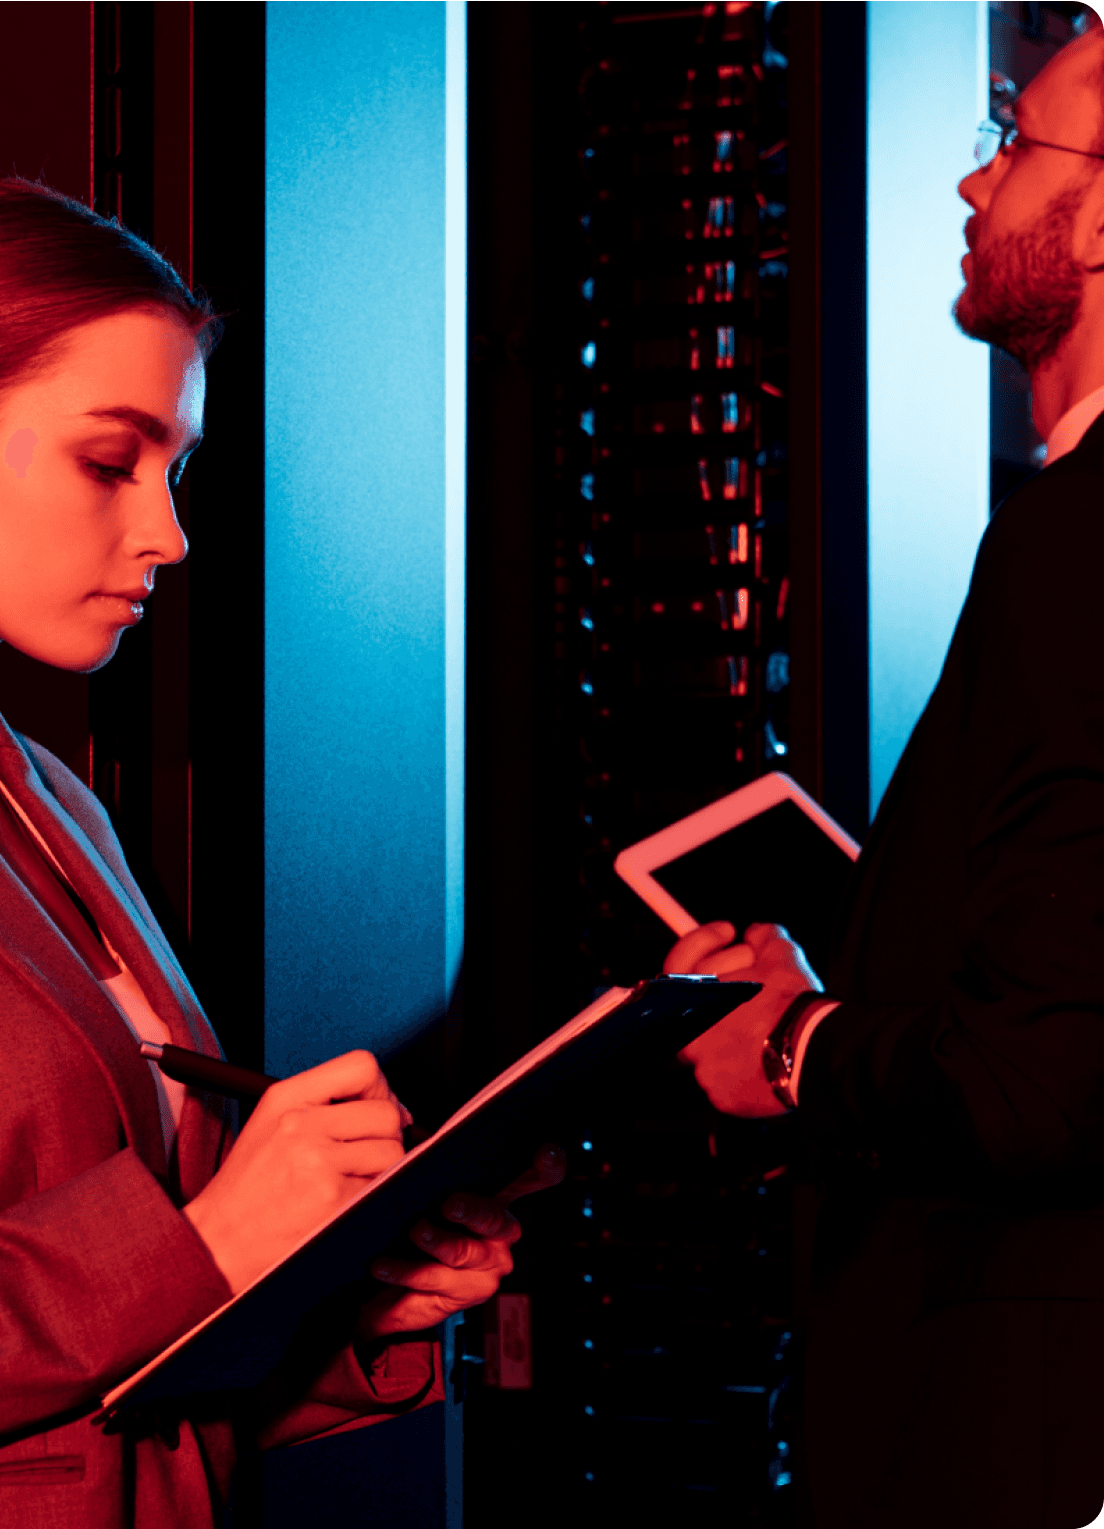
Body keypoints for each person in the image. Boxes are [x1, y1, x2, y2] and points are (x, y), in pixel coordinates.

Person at [0, 173, 563, 1529]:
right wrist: (202, 1239)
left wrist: (349, 1294)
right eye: (110, 461)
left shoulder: (49, 802)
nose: (167, 534)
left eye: (173, 471)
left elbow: (132, 1398)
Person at [664, 22, 1104, 1529]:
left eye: (1016, 141)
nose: (974, 181)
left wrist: (792, 1047)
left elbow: (1040, 1084)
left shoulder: (1078, 545)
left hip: (1021, 1436)